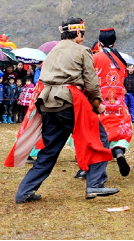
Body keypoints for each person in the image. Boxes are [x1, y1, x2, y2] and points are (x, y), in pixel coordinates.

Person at [13, 18, 118, 203]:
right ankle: (95, 183)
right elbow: (91, 82)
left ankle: (24, 191)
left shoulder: (52, 52)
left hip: (48, 102)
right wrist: (96, 103)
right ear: (77, 33)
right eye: (83, 33)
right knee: (98, 138)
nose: (84, 36)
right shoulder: (82, 51)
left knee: (49, 150)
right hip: (70, 101)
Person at [91, 28, 132, 177]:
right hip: (118, 103)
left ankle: (87, 168)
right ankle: (119, 152)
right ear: (114, 43)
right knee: (118, 130)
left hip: (99, 102)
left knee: (96, 133)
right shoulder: (121, 60)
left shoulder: (95, 58)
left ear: (99, 43)